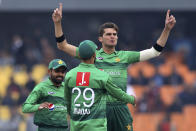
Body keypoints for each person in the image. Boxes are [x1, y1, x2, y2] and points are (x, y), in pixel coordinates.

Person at [52, 3, 176, 131]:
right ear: (100, 38)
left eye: (115, 34)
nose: (113, 36)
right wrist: (57, 23)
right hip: (99, 110)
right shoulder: (91, 54)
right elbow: (62, 46)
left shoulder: (125, 56)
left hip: (120, 108)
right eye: (109, 34)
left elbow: (155, 51)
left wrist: (167, 29)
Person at [64, 40, 136, 131]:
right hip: (96, 127)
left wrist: (74, 115)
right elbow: (117, 93)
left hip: (77, 126)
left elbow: (67, 100)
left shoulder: (70, 75)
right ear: (94, 55)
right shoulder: (101, 76)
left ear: (80, 56)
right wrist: (131, 99)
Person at [22, 59, 69, 131]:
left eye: (62, 72)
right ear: (49, 72)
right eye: (57, 71)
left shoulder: (67, 88)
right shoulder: (41, 87)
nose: (60, 74)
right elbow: (25, 108)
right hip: (46, 128)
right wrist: (39, 106)